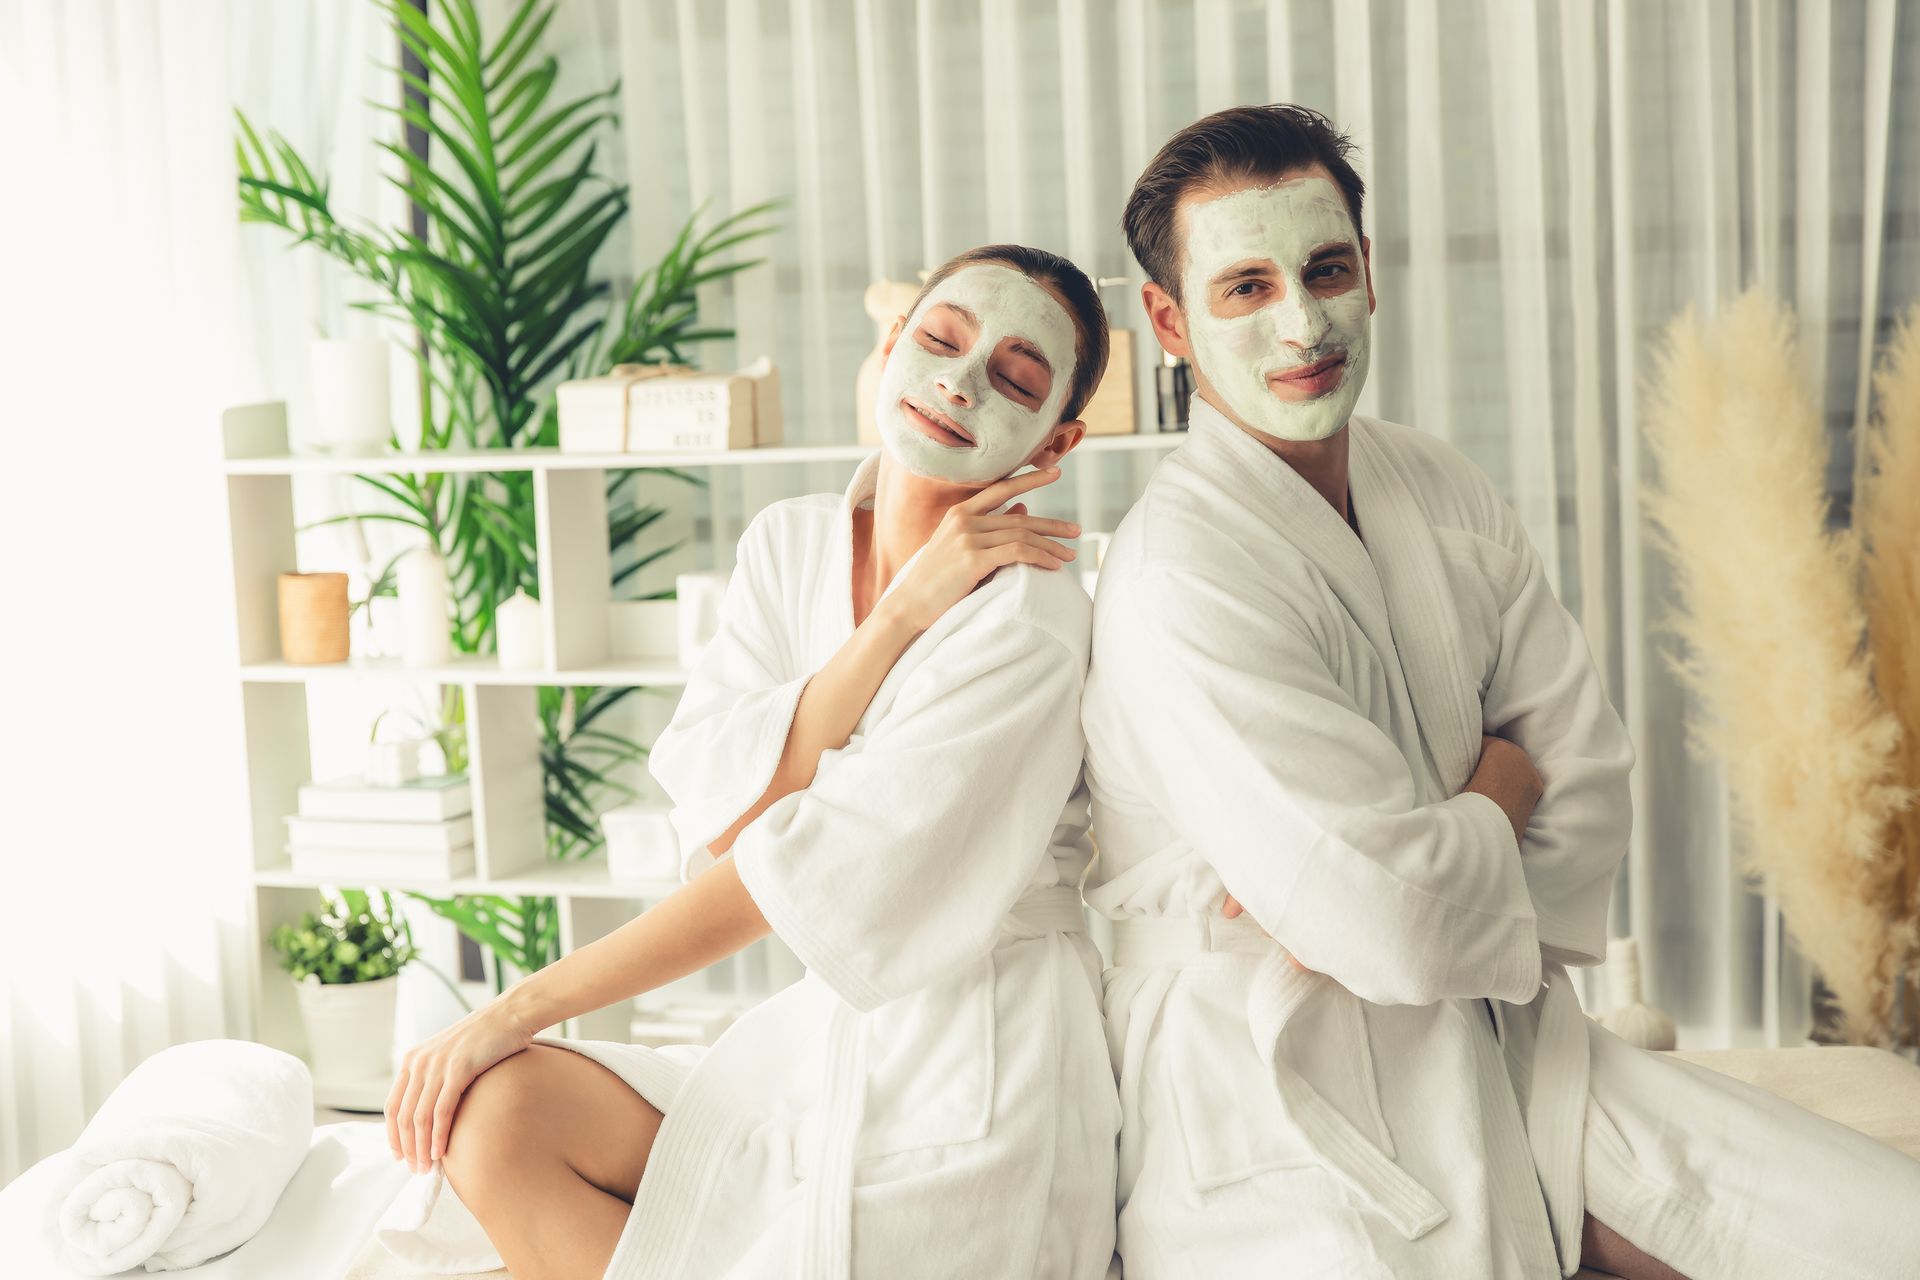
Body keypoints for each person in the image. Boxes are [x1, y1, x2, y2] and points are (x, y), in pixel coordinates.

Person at [1080, 103, 1920, 1280]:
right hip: (1270, 1068)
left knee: (1882, 1225)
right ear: (1168, 321)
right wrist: (1486, 789)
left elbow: (1586, 788)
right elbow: (1388, 916)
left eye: (1326, 269)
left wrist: (1397, 874)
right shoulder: (1184, 569)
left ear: (1370, 270)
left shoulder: (1437, 482)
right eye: (1246, 288)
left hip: (1510, 1036)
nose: (1303, 322)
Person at [383, 244, 1121, 1280]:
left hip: (975, 1047)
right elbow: (728, 816)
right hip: (814, 1044)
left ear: (1059, 437)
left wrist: (514, 1004)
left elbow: (802, 877)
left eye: (1015, 376)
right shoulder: (790, 543)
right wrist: (896, 620)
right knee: (498, 1114)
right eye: (941, 339)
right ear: (893, 344)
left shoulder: (1033, 616)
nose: (959, 381)